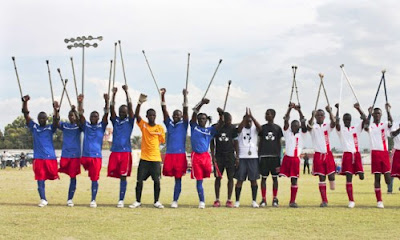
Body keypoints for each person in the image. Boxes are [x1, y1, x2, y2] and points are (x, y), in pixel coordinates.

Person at [22, 95, 59, 207]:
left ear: (46, 119)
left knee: (53, 176)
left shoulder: (50, 128)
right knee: (40, 179)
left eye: (44, 118)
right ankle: (43, 199)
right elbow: (26, 114)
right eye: (40, 118)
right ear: (38, 119)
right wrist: (25, 102)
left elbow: (56, 121)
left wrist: (56, 110)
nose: (42, 120)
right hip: (38, 158)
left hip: (50, 158)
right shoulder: (34, 127)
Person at [129, 93, 166, 209]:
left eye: (153, 115)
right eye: (149, 115)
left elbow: (162, 141)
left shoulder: (160, 128)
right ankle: (137, 201)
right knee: (139, 181)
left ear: (155, 116)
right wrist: (139, 103)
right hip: (144, 159)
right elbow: (136, 116)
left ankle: (156, 201)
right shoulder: (143, 125)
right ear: (147, 116)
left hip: (155, 159)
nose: (151, 117)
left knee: (157, 181)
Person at [190, 98, 224, 209]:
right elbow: (194, 113)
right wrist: (201, 103)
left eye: (203, 118)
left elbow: (221, 124)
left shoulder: (210, 130)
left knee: (209, 174)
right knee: (199, 180)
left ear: (206, 120)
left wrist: (220, 114)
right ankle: (202, 201)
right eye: (199, 118)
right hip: (196, 156)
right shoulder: (194, 127)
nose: (201, 120)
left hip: (206, 156)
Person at [78, 93, 109, 208]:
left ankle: (93, 199)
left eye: (96, 116)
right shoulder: (86, 126)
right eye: (92, 116)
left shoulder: (102, 126)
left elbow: (106, 114)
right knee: (75, 171)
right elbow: (80, 114)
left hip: (96, 157)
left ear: (98, 118)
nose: (93, 118)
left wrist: (106, 101)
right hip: (85, 157)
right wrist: (80, 102)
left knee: (94, 179)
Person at [160, 88, 189, 208]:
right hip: (169, 154)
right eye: (175, 115)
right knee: (162, 177)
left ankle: (175, 200)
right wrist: (162, 96)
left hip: (180, 155)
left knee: (178, 179)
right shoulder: (169, 123)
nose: (176, 116)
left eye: (179, 115)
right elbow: (164, 110)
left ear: (181, 116)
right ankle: (157, 199)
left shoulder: (184, 124)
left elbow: (186, 109)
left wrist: (185, 96)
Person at [334, 103, 367, 208]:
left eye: (348, 119)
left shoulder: (355, 128)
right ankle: (351, 200)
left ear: (351, 120)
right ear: (343, 120)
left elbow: (365, 119)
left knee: (361, 177)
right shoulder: (341, 130)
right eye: (345, 119)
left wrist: (359, 109)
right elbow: (336, 123)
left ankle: (360, 174)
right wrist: (338, 110)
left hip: (356, 155)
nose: (347, 121)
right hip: (347, 155)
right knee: (349, 178)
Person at [108, 85, 135, 208]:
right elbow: (111, 108)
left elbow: (130, 107)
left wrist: (127, 92)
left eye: (124, 112)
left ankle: (121, 200)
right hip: (115, 152)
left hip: (125, 152)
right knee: (115, 175)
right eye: (121, 112)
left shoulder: (130, 121)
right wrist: (113, 94)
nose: (122, 113)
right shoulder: (115, 120)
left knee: (123, 176)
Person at [307, 106, 336, 207]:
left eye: (321, 115)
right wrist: (311, 115)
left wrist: (330, 112)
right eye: (317, 115)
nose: (319, 117)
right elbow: (308, 126)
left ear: (324, 117)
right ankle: (324, 200)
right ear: (315, 116)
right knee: (321, 177)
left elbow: (334, 123)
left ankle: (332, 184)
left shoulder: (327, 126)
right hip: (318, 155)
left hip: (328, 154)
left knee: (331, 176)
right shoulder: (313, 127)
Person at [365, 104, 392, 208]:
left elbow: (391, 123)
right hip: (375, 153)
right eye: (375, 113)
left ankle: (387, 189)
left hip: (384, 153)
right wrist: (368, 114)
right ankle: (379, 201)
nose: (377, 115)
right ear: (373, 114)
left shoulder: (385, 124)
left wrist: (388, 110)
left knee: (388, 180)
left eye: (378, 113)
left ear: (381, 115)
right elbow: (366, 126)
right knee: (377, 178)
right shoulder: (370, 126)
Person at [279, 103, 307, 208]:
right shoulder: (287, 133)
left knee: (294, 180)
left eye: (296, 125)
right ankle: (274, 198)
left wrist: (299, 111)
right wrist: (289, 109)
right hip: (287, 158)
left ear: (299, 126)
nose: (294, 127)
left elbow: (304, 123)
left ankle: (292, 201)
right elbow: (285, 120)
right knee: (277, 176)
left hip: (295, 160)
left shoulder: (303, 134)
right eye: (292, 126)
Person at [210, 111, 239, 208]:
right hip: (219, 156)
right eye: (228, 120)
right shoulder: (216, 127)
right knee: (218, 177)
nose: (230, 122)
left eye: (231, 120)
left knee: (230, 178)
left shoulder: (232, 128)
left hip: (230, 156)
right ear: (224, 119)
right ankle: (217, 199)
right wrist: (213, 156)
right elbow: (212, 142)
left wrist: (237, 156)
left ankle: (229, 200)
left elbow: (236, 143)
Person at [234, 108, 261, 208]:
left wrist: (252, 117)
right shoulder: (240, 128)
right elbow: (238, 129)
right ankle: (237, 201)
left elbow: (260, 129)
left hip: (253, 157)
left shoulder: (254, 129)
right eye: (247, 121)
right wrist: (245, 118)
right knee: (239, 180)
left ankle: (254, 201)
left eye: (250, 121)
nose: (248, 123)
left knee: (253, 180)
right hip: (242, 157)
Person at [57, 106, 82, 207]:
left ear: (76, 117)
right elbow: (56, 122)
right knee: (56, 171)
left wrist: (78, 108)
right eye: (69, 116)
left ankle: (70, 199)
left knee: (73, 177)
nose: (71, 117)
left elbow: (82, 121)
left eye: (72, 116)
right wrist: (56, 110)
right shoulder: (65, 125)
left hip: (75, 156)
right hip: (65, 155)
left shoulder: (79, 126)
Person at [258, 109, 283, 207]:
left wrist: (279, 157)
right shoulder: (262, 128)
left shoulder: (277, 128)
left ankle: (275, 198)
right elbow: (260, 142)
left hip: (275, 157)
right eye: (265, 114)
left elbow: (279, 143)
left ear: (273, 115)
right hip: (264, 156)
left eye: (268, 114)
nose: (266, 115)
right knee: (263, 178)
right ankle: (263, 199)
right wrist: (259, 154)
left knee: (275, 179)